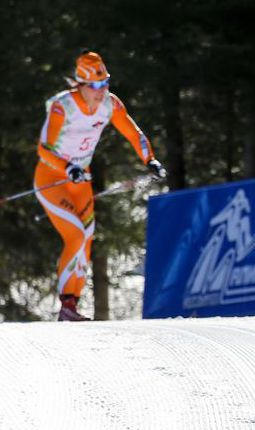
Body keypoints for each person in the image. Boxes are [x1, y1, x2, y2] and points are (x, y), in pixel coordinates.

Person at [34, 51, 166, 321]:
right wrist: (67, 167)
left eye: (105, 83)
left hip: (81, 181)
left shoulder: (110, 105)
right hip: (52, 180)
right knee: (75, 235)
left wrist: (149, 159)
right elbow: (44, 149)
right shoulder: (63, 106)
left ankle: (73, 303)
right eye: (95, 86)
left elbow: (133, 132)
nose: (101, 90)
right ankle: (66, 306)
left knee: (87, 240)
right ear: (80, 84)